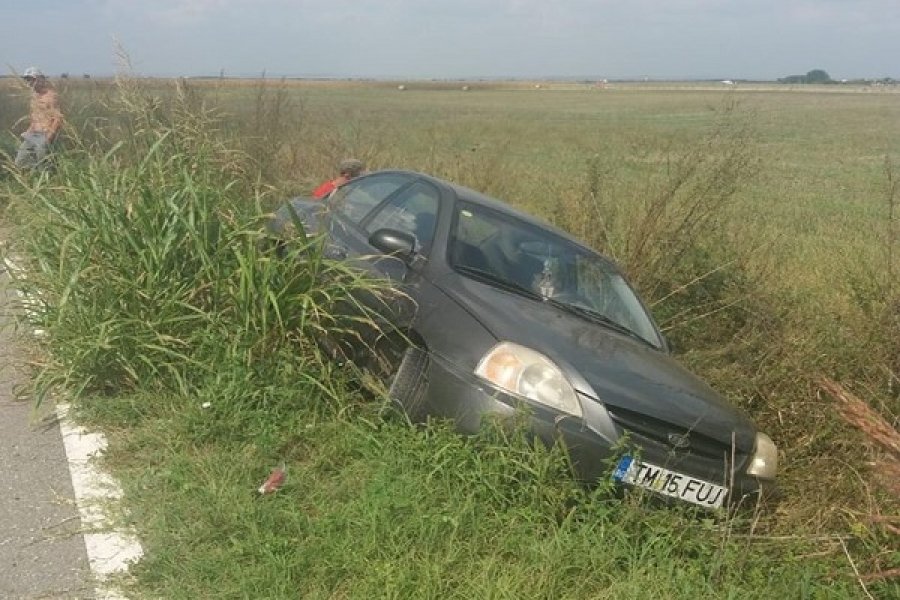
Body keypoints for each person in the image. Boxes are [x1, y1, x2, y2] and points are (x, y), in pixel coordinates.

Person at [15, 67, 63, 170]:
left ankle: (48, 183)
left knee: (43, 166)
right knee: (20, 161)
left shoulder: (51, 96)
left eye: (32, 79)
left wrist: (49, 137)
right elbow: (34, 117)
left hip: (45, 134)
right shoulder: (34, 96)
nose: (30, 82)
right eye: (27, 79)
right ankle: (28, 182)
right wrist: (28, 132)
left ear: (40, 79)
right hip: (32, 134)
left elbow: (58, 118)